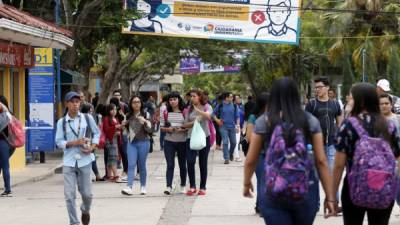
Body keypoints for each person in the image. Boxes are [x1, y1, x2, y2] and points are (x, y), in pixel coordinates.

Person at [243, 77, 335, 225]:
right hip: (305, 190)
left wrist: (247, 183)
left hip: (272, 190)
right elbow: (321, 161)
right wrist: (330, 197)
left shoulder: (264, 121)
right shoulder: (310, 121)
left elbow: (251, 159)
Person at [333, 83, 400, 225]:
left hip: (354, 187)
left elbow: (338, 165)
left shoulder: (349, 125)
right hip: (383, 186)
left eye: (351, 98)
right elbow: (398, 157)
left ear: (361, 101)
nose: (348, 101)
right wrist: (392, 182)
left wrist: (332, 196)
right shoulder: (389, 126)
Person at [55, 91, 100, 225]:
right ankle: (74, 222)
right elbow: (59, 142)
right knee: (69, 196)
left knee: (87, 195)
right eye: (72, 102)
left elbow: (97, 133)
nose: (75, 104)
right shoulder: (62, 122)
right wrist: (74, 143)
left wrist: (92, 147)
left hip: (85, 160)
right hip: (69, 162)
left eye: (77, 102)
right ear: (67, 104)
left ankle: (85, 210)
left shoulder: (87, 118)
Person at [305, 78, 342, 172]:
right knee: (316, 174)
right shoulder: (311, 104)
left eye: (320, 87)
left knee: (330, 173)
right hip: (316, 145)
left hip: (331, 144)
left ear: (327, 88)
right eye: (316, 88)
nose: (317, 89)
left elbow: (340, 124)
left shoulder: (335, 104)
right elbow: (306, 124)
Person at [183, 89, 213, 196]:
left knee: (202, 162)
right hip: (191, 138)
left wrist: (199, 112)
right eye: (191, 96)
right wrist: (195, 121)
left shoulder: (207, 106)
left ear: (200, 96)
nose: (192, 98)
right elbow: (185, 125)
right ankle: (192, 186)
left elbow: (209, 116)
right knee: (190, 162)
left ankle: (203, 187)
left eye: (194, 96)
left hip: (204, 137)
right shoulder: (189, 109)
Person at [121, 95, 152, 196]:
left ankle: (143, 186)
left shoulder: (145, 114)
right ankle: (129, 187)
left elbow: (151, 130)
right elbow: (125, 132)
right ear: (131, 104)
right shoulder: (128, 115)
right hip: (132, 143)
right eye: (134, 102)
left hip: (144, 142)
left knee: (142, 165)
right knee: (131, 165)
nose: (136, 104)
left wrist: (144, 122)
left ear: (141, 103)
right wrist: (123, 126)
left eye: (138, 102)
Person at [160, 92, 187, 195]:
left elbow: (189, 126)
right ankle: (168, 186)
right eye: (170, 100)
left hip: (182, 142)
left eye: (174, 99)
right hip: (169, 142)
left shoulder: (185, 111)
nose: (172, 101)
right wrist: (168, 129)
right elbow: (161, 127)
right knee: (170, 164)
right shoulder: (166, 112)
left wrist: (182, 129)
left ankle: (183, 185)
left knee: (182, 165)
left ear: (179, 100)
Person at [378, 93, 400, 207]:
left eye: (386, 103)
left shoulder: (397, 119)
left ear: (391, 104)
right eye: (381, 104)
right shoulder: (375, 121)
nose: (384, 106)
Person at [213, 92, 240, 164]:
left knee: (234, 142)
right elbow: (213, 114)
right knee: (225, 142)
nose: (232, 98)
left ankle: (230, 154)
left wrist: (237, 126)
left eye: (232, 97)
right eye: (230, 97)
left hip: (232, 126)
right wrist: (217, 120)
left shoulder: (234, 106)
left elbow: (237, 117)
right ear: (226, 98)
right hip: (223, 126)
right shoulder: (220, 105)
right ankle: (226, 158)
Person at [80, 104, 103, 182]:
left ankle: (96, 175)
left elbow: (96, 131)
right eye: (91, 109)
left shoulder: (88, 117)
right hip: (86, 142)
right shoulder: (88, 117)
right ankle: (96, 175)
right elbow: (96, 130)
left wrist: (93, 144)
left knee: (90, 158)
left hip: (87, 143)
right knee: (91, 158)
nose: (92, 110)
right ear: (89, 110)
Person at [103, 104, 124, 182]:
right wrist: (116, 127)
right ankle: (115, 175)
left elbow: (119, 129)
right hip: (110, 140)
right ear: (108, 110)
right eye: (112, 109)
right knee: (113, 157)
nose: (114, 111)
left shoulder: (116, 118)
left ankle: (109, 175)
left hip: (115, 140)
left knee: (110, 158)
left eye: (115, 109)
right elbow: (106, 129)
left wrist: (120, 127)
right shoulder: (106, 118)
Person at [0, 95, 13, 197]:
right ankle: (7, 189)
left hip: (2, 142)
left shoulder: (3, 116)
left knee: (4, 166)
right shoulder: (10, 115)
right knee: (4, 166)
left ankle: (8, 190)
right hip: (9, 144)